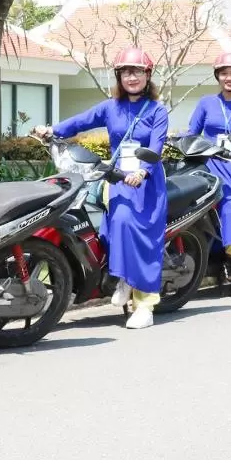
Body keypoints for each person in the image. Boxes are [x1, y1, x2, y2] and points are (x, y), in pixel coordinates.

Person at [33, 46, 168, 329]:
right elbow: (80, 122)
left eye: (137, 72)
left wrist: (144, 170)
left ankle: (145, 306)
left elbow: (156, 145)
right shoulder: (111, 107)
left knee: (144, 240)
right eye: (125, 72)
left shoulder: (157, 111)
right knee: (115, 225)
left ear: (148, 76)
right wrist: (52, 131)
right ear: (119, 76)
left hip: (147, 182)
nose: (131, 77)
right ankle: (123, 279)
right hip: (118, 179)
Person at [185, 52, 231, 298]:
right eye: (224, 73)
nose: (229, 77)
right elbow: (191, 133)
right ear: (217, 76)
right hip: (209, 167)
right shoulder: (206, 102)